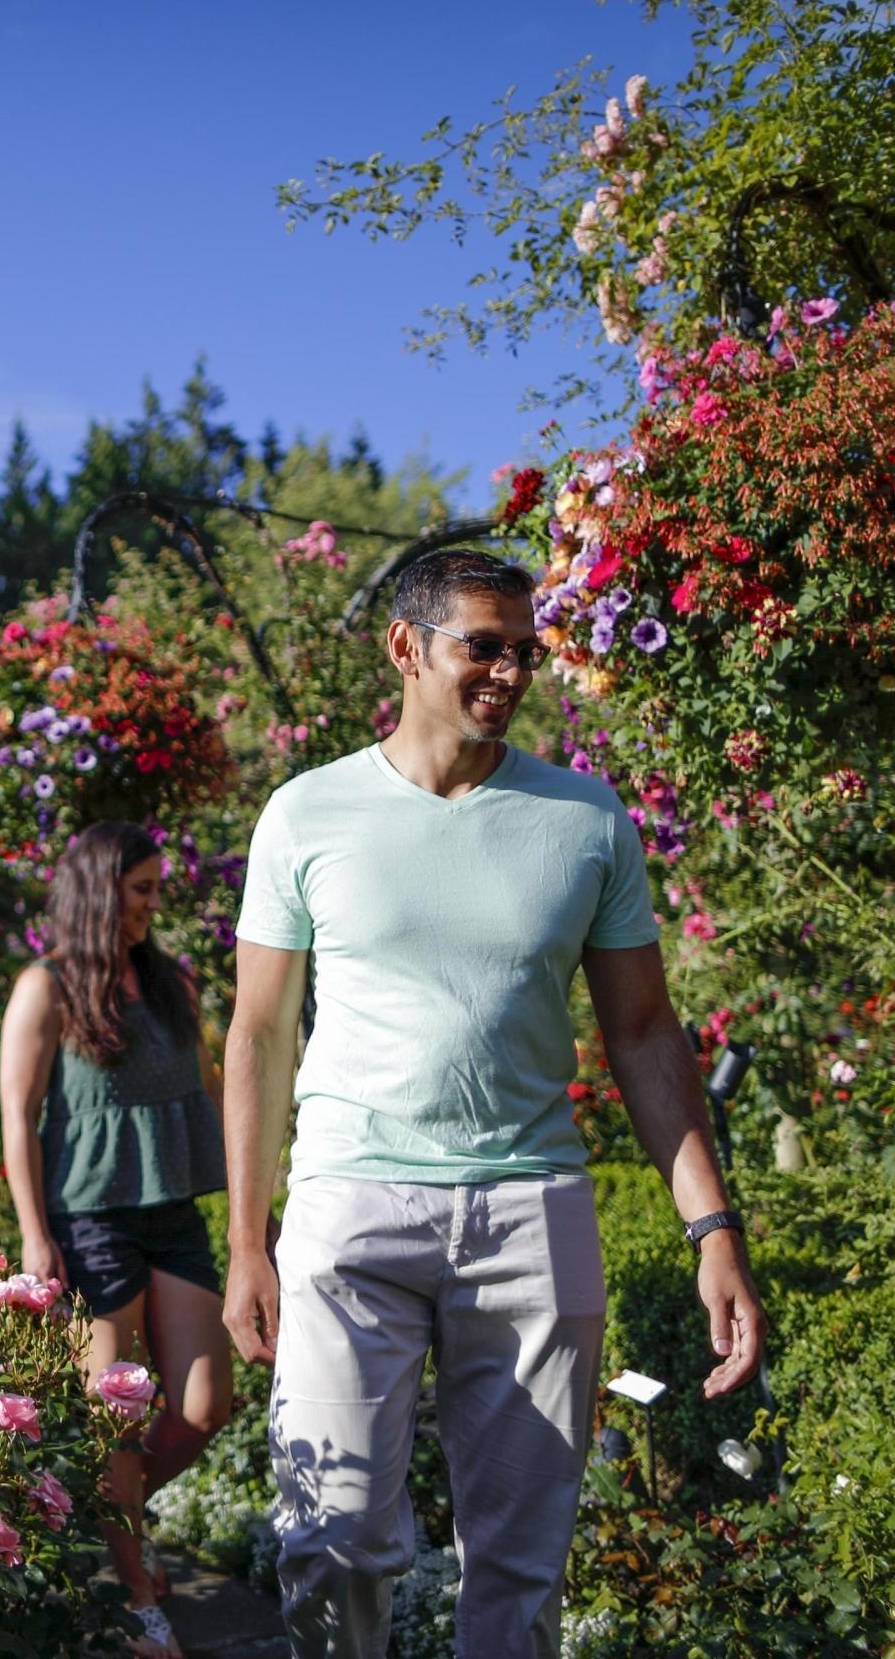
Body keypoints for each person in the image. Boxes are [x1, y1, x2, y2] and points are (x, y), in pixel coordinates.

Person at [222, 549, 768, 1659]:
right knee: (331, 1538)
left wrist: (712, 1229)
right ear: (405, 648)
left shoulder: (581, 819)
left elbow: (644, 1032)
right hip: (348, 1209)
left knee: (519, 1564)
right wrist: (246, 1239)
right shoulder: (306, 811)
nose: (510, 669)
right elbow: (260, 1032)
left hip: (530, 1212)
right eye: (482, 643)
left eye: (525, 647)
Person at [0, 822, 234, 1659]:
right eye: (140, 888)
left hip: (173, 1213)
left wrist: (255, 1212)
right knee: (118, 1421)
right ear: (101, 891)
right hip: (89, 1217)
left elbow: (208, 1096)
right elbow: (18, 1120)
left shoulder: (172, 983)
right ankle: (141, 1602)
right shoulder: (49, 986)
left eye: (153, 888)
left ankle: (96, 1507)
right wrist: (35, 1234)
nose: (152, 903)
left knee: (207, 1405)